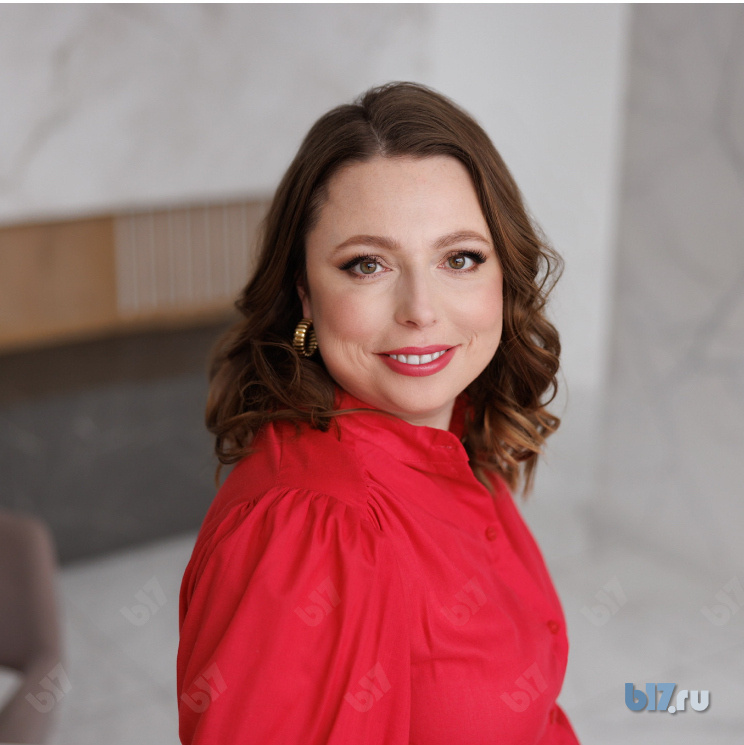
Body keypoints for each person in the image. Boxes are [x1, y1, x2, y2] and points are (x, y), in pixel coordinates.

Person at [177, 81, 580, 744]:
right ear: (305, 294)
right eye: (367, 264)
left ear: (504, 272)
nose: (420, 309)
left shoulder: (459, 431)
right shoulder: (313, 533)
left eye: (459, 258)